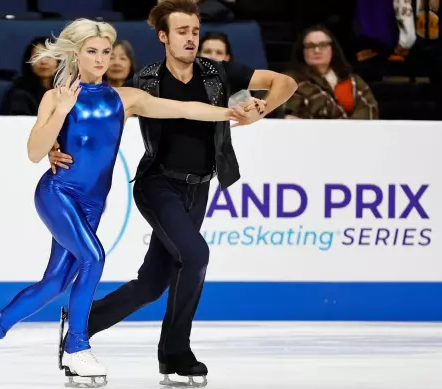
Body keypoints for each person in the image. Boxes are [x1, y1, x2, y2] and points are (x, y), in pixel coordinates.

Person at [0, 17, 262, 386]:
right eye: (92, 52)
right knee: (94, 256)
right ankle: (77, 346)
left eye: (106, 52)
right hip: (57, 193)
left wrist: (230, 113)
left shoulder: (123, 99)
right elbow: (35, 152)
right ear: (76, 54)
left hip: (92, 205)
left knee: (55, 281)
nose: (101, 59)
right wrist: (62, 113)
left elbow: (184, 109)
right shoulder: (57, 97)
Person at [48, 0, 297, 385]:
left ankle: (84, 320)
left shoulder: (219, 73)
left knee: (152, 283)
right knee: (196, 254)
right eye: (182, 31)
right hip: (158, 184)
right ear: (163, 36)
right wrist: (55, 143)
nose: (191, 39)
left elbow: (286, 82)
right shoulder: (146, 80)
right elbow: (98, 114)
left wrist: (261, 110)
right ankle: (176, 353)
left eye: (195, 31)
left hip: (200, 188)